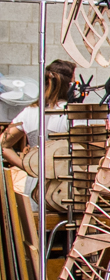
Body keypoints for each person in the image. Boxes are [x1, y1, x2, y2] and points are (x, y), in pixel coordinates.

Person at [1, 60, 76, 205]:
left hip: (33, 183)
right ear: (69, 85)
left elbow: (3, 145)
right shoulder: (72, 113)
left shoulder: (29, 112)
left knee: (33, 225)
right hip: (61, 186)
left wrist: (28, 166)